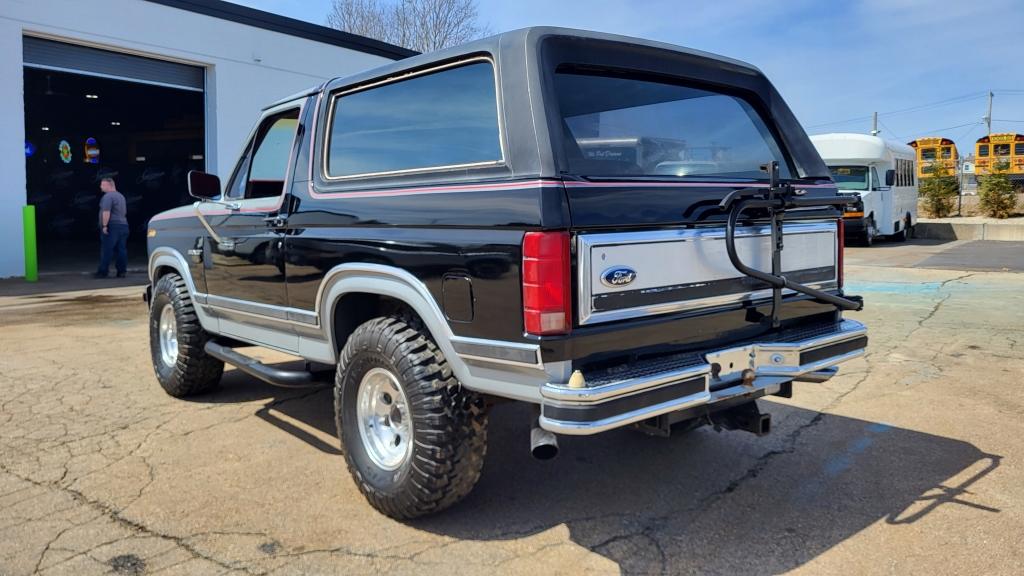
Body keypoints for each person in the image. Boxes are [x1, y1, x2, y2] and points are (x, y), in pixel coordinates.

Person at [94, 177, 129, 278]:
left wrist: (105, 225)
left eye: (102, 185)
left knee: (107, 250)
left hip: (112, 226)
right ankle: (122, 271)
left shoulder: (108, 197)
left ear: (108, 185)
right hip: (123, 225)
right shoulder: (121, 196)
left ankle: (103, 272)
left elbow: (106, 212)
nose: (100, 187)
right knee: (121, 249)